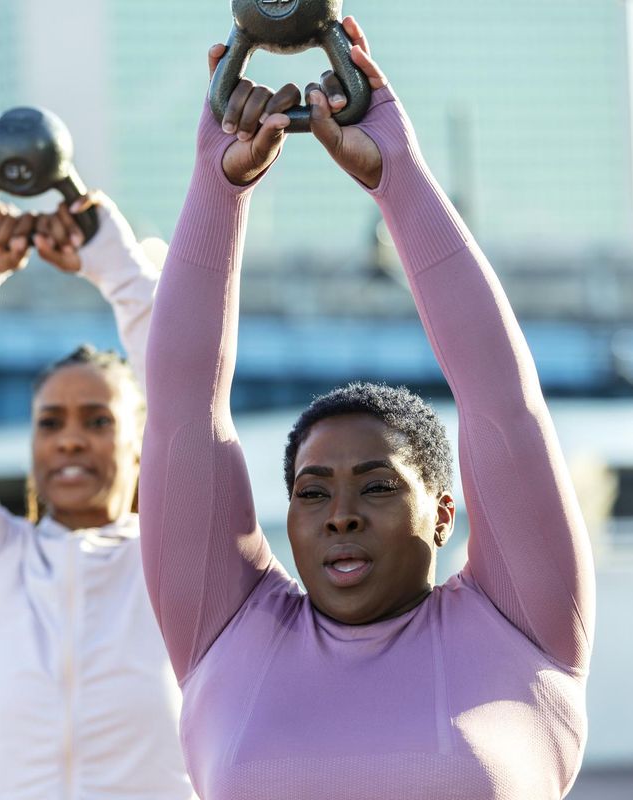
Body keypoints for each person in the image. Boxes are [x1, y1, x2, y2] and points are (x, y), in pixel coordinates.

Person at [139, 17, 596, 799]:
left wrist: (400, 179)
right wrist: (217, 189)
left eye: (378, 486)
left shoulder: (522, 625)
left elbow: (499, 401)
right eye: (312, 492)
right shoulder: (226, 633)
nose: (339, 515)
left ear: (444, 512)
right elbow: (183, 410)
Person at [0, 192, 195, 799]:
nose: (69, 441)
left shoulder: (179, 565)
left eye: (97, 422)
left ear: (141, 444)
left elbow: (188, 405)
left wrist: (116, 267)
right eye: (50, 423)